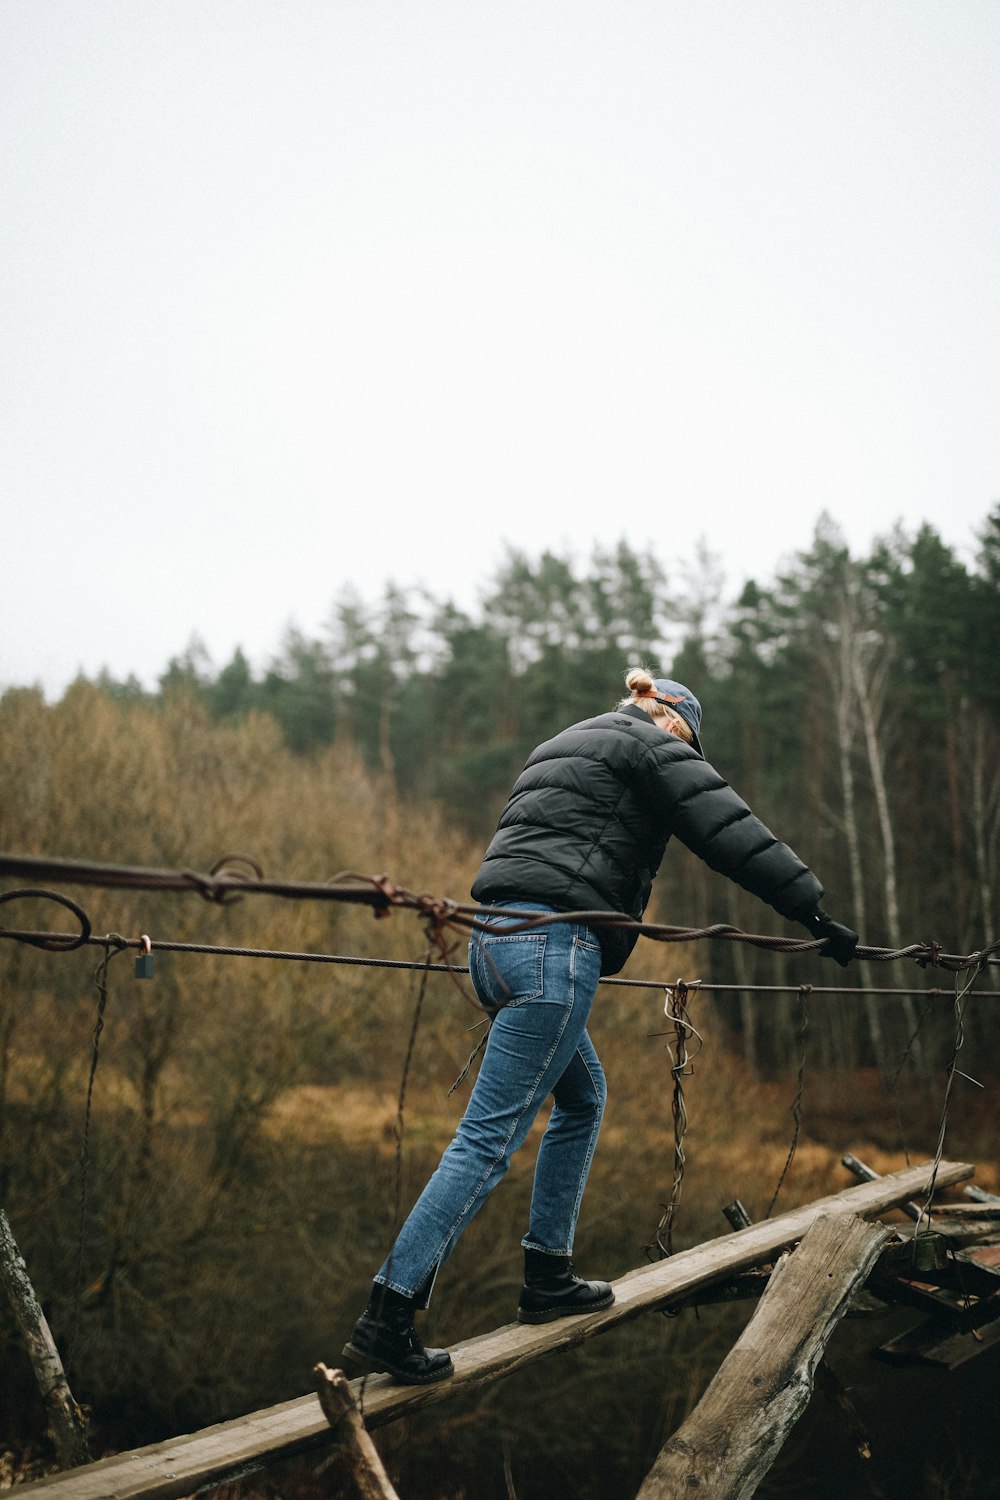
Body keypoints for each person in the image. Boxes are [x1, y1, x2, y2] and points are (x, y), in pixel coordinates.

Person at [341, 666, 857, 1384]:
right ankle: (388, 1316)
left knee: (583, 1097)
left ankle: (547, 1273)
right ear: (674, 720)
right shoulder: (652, 744)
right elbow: (734, 834)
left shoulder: (563, 743)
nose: (690, 752)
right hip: (553, 953)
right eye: (691, 741)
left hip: (492, 946)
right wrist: (814, 915)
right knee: (486, 1140)